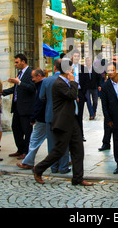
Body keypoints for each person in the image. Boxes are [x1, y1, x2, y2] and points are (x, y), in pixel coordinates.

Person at [33, 58, 93, 186]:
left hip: (72, 120)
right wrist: (73, 82)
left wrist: (72, 82)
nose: (72, 71)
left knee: (78, 150)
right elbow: (72, 95)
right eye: (71, 68)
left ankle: (78, 178)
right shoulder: (58, 83)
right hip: (63, 122)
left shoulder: (64, 82)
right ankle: (38, 169)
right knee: (59, 151)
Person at [38, 58, 70, 173]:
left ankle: (54, 166)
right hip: (63, 116)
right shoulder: (66, 80)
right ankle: (63, 167)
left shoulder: (46, 81)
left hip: (50, 115)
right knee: (64, 143)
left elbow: (41, 97)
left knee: (52, 143)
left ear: (55, 67)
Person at [2, 54, 36, 160]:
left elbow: (32, 88)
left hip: (26, 107)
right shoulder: (20, 73)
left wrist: (19, 82)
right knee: (16, 128)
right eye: (15, 62)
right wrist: (3, 92)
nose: (15, 64)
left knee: (27, 130)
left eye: (17, 62)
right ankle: (20, 149)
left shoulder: (30, 73)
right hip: (17, 106)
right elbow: (16, 89)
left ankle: (26, 151)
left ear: (23, 61)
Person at [17, 68, 47, 170]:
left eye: (33, 77)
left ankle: (28, 162)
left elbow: (39, 103)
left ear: (39, 76)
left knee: (34, 140)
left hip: (43, 119)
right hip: (47, 118)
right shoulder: (45, 84)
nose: (32, 80)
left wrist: (33, 117)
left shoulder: (42, 85)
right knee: (56, 141)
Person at [71, 50, 88, 140]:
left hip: (80, 92)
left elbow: (86, 82)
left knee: (80, 114)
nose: (76, 58)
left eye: (78, 56)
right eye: (75, 56)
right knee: (72, 114)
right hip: (70, 92)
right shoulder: (68, 67)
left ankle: (80, 134)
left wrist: (81, 93)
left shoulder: (83, 68)